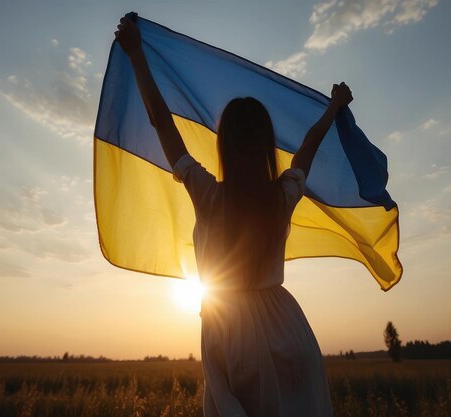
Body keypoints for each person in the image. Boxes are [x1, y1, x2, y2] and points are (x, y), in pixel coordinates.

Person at [115, 15, 353, 417]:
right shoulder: (282, 196)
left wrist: (137, 55)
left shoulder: (209, 196)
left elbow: (161, 121)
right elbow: (307, 149)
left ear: (224, 145)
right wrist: (333, 107)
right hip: (288, 326)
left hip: (231, 332)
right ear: (265, 148)